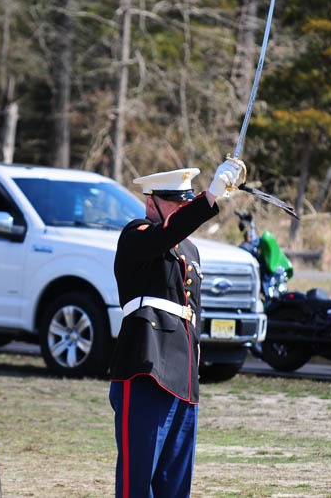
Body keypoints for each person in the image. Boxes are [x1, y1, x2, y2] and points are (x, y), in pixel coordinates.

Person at [109, 158, 245, 497]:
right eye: (175, 202)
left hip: (183, 377)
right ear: (151, 202)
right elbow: (166, 233)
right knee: (138, 479)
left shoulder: (190, 250)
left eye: (187, 202)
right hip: (147, 368)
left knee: (175, 484)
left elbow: (192, 312)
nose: (183, 208)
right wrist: (209, 197)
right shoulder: (136, 235)